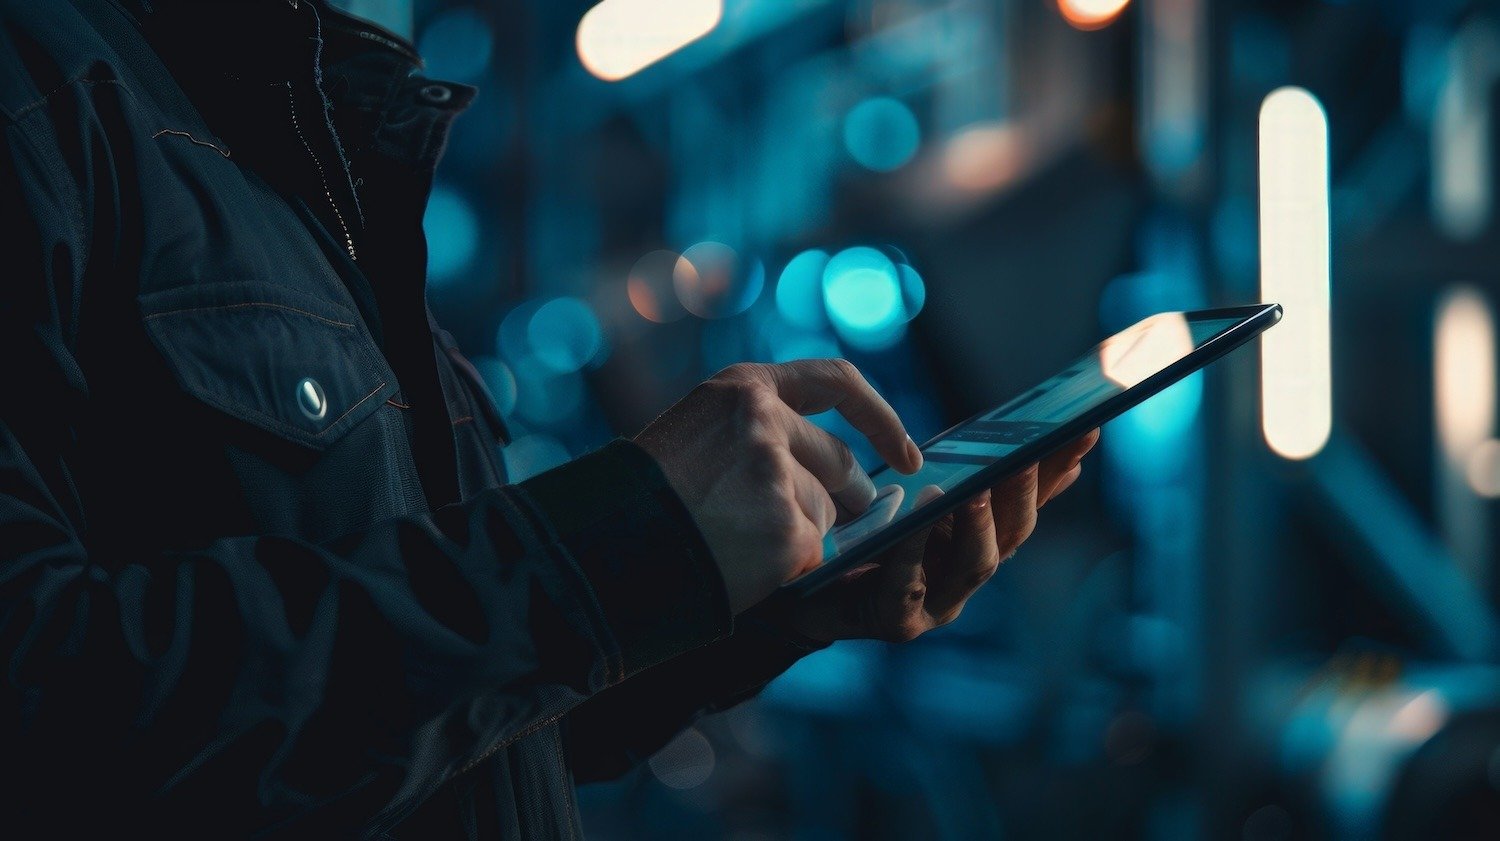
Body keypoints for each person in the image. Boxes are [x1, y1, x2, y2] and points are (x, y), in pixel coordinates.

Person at [0, 0, 1098, 836]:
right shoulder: (42, 101)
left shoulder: (291, 147)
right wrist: (619, 543)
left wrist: (752, 602)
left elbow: (445, 729)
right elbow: (46, 709)